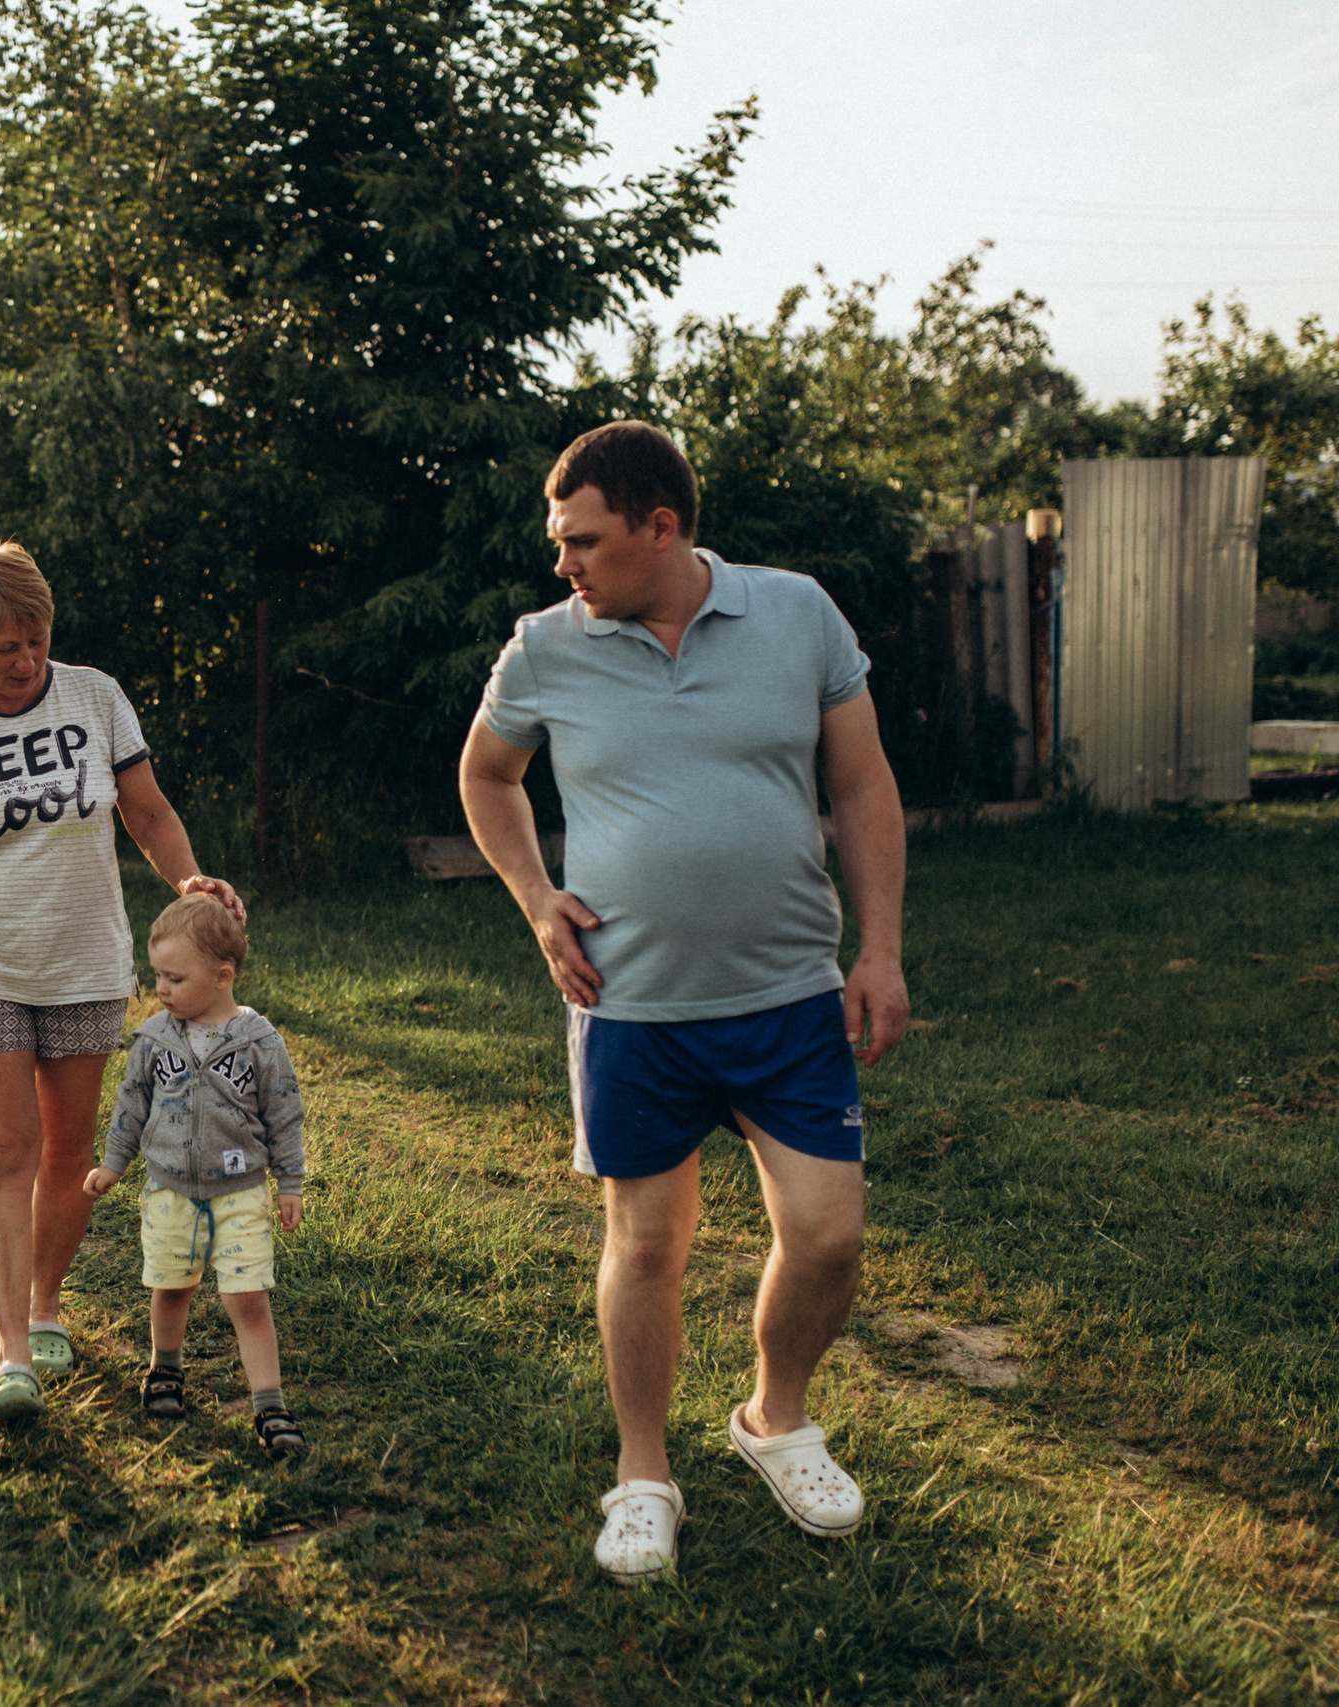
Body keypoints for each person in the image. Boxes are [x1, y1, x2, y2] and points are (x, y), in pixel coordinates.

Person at [457, 421, 909, 1585]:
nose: (563, 563)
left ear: (659, 527)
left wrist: (881, 950)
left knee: (828, 1236)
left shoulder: (796, 613)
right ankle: (643, 1474)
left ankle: (774, 1419)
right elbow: (487, 775)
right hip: (632, 1006)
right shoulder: (545, 647)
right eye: (559, 542)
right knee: (647, 1245)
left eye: (583, 541)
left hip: (788, 997)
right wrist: (536, 900)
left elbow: (861, 782)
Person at [0, 542, 246, 1425]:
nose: (26, 659)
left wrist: (188, 879)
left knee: (69, 1154)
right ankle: (11, 1355)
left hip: (83, 963)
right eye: (5, 646)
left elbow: (145, 809)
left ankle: (44, 1303)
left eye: (37, 639)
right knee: (4, 1149)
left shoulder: (95, 697)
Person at [84, 895, 307, 1459]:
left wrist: (290, 1183)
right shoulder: (155, 1039)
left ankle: (270, 1405)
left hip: (241, 1194)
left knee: (248, 1299)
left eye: (175, 978)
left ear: (222, 976)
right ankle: (165, 1369)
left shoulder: (259, 1042)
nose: (161, 988)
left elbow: (284, 1113)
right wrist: (113, 1164)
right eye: (157, 974)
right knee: (172, 1288)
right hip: (170, 1192)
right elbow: (131, 1105)